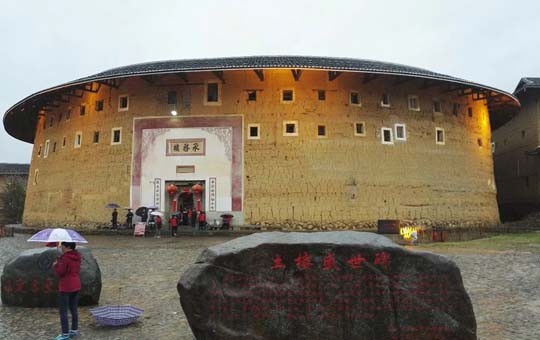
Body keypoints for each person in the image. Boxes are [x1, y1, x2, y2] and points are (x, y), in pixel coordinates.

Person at [53, 242, 82, 340]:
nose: (61, 247)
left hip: (66, 286)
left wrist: (56, 265)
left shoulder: (65, 258)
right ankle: (74, 330)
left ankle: (65, 334)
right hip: (76, 284)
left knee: (63, 311)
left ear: (68, 247)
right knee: (74, 308)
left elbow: (61, 272)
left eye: (63, 246)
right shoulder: (77, 256)